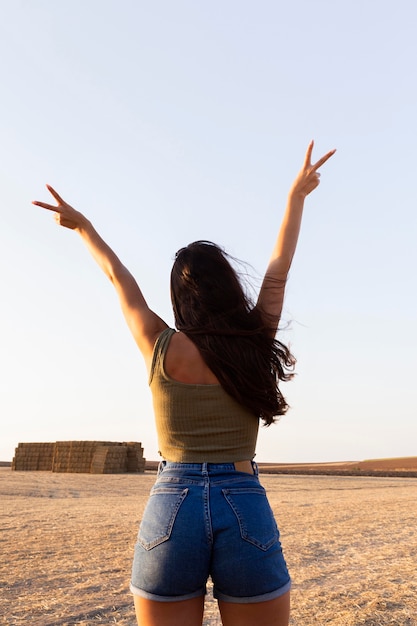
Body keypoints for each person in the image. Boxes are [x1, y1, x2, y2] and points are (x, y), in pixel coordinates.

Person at [33, 140, 335, 626]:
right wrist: (295, 198)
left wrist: (84, 227)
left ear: (179, 297)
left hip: (173, 501)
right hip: (243, 497)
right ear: (229, 287)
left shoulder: (159, 343)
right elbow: (278, 272)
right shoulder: (254, 340)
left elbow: (119, 279)